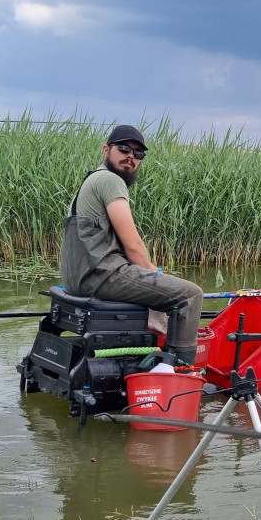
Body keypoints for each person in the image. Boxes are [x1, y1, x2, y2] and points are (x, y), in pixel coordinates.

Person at [59, 124, 204, 364]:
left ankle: (154, 356)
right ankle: (181, 370)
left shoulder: (91, 180)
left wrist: (152, 272)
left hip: (79, 280)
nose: (131, 156)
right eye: (124, 148)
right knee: (190, 295)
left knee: (161, 280)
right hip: (103, 276)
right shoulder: (110, 181)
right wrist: (153, 274)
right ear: (106, 149)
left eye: (138, 153)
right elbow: (133, 245)